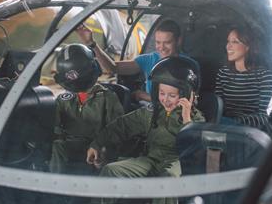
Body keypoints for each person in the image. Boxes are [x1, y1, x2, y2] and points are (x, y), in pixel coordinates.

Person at [86, 57, 205, 204]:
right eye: (162, 93)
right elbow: (122, 126)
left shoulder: (196, 119)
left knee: (168, 179)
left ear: (186, 95)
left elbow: (195, 148)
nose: (166, 99)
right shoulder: (151, 112)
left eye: (172, 95)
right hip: (150, 159)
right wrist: (97, 143)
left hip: (177, 162)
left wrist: (187, 119)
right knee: (111, 170)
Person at [76, 20, 199, 102]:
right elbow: (112, 68)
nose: (161, 47)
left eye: (167, 42)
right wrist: (92, 43)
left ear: (178, 41)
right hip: (148, 111)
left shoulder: (189, 66)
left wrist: (142, 95)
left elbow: (184, 101)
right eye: (158, 42)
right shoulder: (148, 59)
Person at [49, 44, 124, 175]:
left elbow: (116, 130)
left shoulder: (107, 98)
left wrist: (103, 149)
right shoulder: (63, 99)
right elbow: (55, 128)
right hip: (69, 146)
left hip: (96, 146)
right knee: (56, 145)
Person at [214, 26, 272, 133]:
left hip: (249, 133)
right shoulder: (223, 73)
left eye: (235, 42)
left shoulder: (263, 76)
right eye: (228, 41)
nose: (228, 46)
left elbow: (264, 115)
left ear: (248, 47)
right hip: (223, 128)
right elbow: (217, 108)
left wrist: (235, 123)